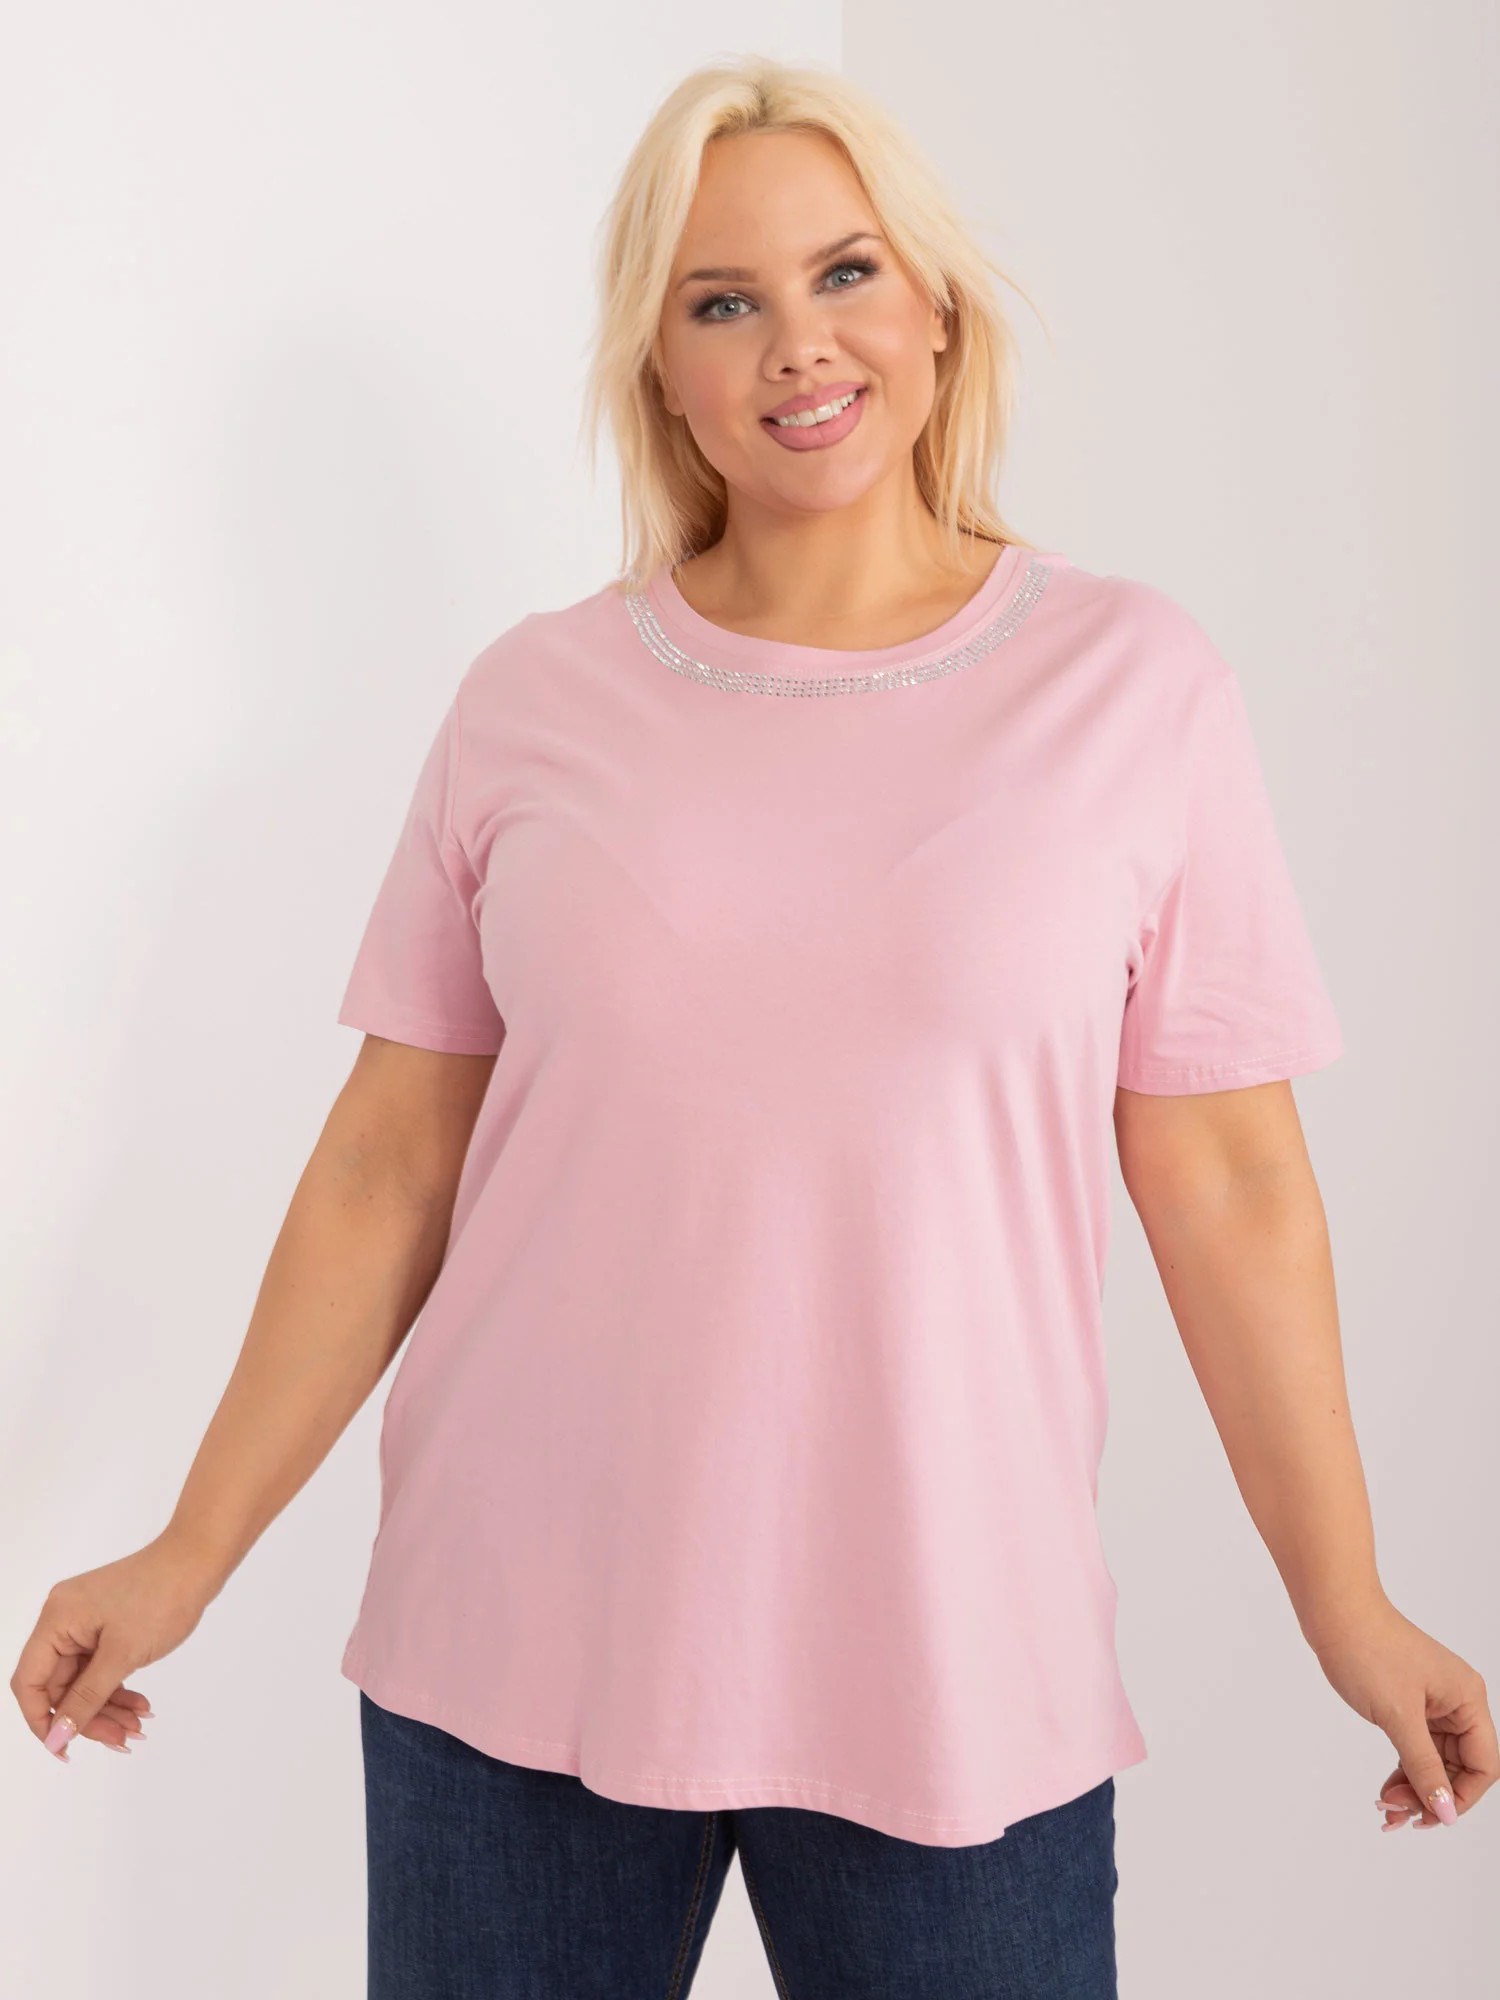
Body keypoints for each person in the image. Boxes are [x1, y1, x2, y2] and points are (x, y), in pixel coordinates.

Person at [14, 52, 1496, 2000]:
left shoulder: (1131, 687)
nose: (800, 341)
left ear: (936, 310)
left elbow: (1232, 1186)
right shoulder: (532, 701)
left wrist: (1343, 1600)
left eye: (846, 271)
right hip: (512, 1652)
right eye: (724, 300)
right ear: (664, 372)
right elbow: (387, 1167)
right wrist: (184, 1551)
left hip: (956, 1668)